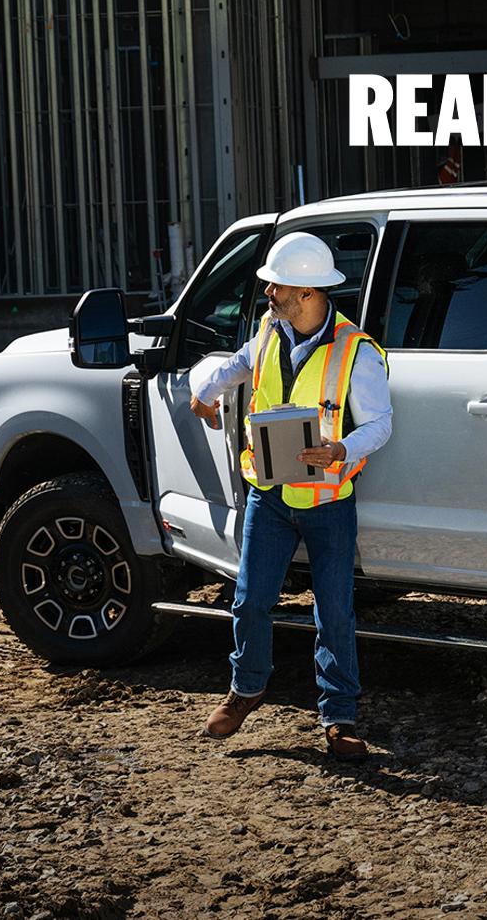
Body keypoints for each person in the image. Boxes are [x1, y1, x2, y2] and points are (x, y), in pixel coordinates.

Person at [187, 232, 391, 758]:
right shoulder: (271, 332)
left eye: (277, 285)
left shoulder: (356, 352)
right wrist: (203, 395)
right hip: (270, 497)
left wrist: (341, 449)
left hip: (328, 500)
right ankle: (246, 689)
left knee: (335, 613)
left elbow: (381, 425)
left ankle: (339, 718)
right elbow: (235, 366)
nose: (269, 292)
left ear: (306, 291)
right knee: (251, 600)